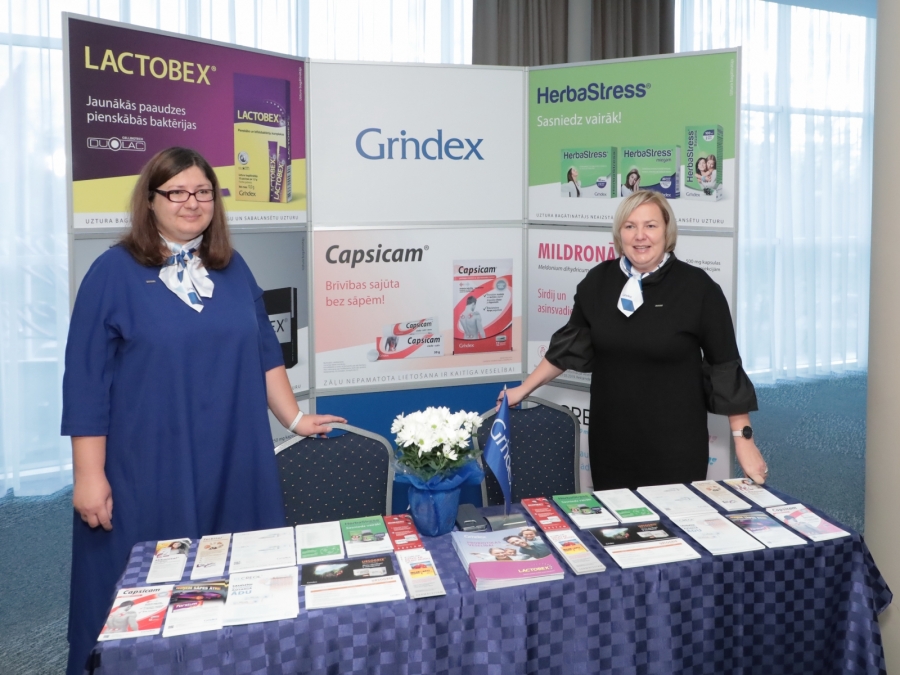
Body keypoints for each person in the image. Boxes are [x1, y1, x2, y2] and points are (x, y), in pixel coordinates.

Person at [61, 147, 345, 675]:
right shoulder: (112, 272)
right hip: (149, 462)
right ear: (150, 200)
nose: (191, 203)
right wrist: (88, 475)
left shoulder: (232, 268)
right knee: (144, 589)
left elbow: (265, 351)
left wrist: (294, 418)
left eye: (202, 192)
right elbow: (85, 383)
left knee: (237, 578)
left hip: (233, 454)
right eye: (176, 192)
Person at [500, 191, 767, 491]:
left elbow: (724, 366)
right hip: (611, 443)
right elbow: (567, 348)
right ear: (619, 233)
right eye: (630, 226)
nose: (640, 236)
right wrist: (523, 390)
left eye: (650, 225)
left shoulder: (698, 288)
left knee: (673, 520)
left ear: (667, 231)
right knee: (614, 520)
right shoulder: (597, 282)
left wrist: (744, 441)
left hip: (675, 446)